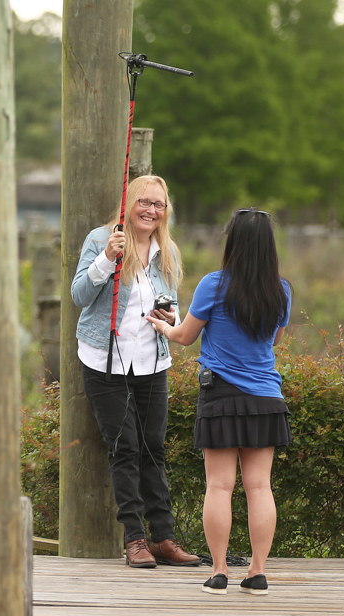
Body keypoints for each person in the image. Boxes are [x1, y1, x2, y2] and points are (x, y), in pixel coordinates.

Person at [147, 208, 292, 596]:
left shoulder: (214, 285)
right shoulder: (281, 290)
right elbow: (274, 341)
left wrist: (163, 324)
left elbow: (184, 337)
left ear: (233, 242)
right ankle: (258, 573)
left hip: (221, 396)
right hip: (266, 397)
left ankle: (220, 571)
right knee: (260, 486)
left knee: (220, 486)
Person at [71, 175, 201, 568]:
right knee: (123, 447)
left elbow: (172, 307)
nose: (151, 210)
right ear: (129, 203)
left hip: (152, 360)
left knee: (154, 448)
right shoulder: (103, 239)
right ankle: (135, 539)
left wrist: (169, 314)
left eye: (158, 204)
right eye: (144, 202)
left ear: (166, 211)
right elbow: (79, 296)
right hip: (105, 360)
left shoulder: (168, 252)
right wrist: (107, 258)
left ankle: (164, 538)